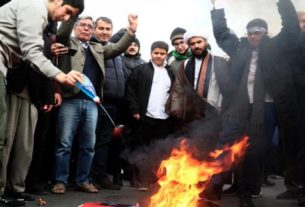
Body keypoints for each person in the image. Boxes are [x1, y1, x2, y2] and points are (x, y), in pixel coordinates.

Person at [210, 0, 300, 206]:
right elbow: (222, 34)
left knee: (254, 151)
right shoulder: (239, 48)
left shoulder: (275, 48)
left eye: (257, 33)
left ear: (265, 34)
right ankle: (212, 185)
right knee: (223, 145)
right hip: (237, 109)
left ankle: (246, 193)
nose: (253, 36)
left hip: (264, 109)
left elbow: (291, 27)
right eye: (250, 33)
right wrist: (217, 6)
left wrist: (283, 2)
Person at [0, 0, 84, 206]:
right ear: (57, 0)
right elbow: (32, 51)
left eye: (70, 17)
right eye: (66, 12)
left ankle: (11, 190)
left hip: (21, 82)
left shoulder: (38, 15)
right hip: (13, 81)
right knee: (2, 137)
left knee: (17, 142)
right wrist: (61, 76)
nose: (65, 18)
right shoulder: (34, 7)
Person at [52, 14, 137, 194]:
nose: (86, 29)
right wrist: (71, 13)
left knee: (88, 145)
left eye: (90, 26)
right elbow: (62, 33)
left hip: (92, 103)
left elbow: (118, 47)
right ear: (76, 28)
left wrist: (131, 30)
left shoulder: (97, 47)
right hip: (70, 100)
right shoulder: (68, 43)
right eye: (82, 25)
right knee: (64, 143)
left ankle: (83, 180)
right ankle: (60, 181)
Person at [124, 41, 175, 190]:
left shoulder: (170, 72)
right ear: (151, 53)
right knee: (141, 149)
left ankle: (155, 179)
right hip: (144, 117)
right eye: (156, 53)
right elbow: (130, 90)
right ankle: (141, 180)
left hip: (164, 118)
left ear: (166, 54)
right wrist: (134, 110)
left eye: (162, 53)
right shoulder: (140, 70)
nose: (159, 56)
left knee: (159, 150)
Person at [90, 16, 126, 191]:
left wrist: (129, 28)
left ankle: (100, 174)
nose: (104, 32)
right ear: (94, 29)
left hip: (115, 104)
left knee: (106, 141)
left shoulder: (115, 51)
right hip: (101, 102)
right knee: (96, 141)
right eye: (101, 28)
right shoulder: (95, 48)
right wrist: (128, 30)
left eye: (108, 29)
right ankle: (95, 176)